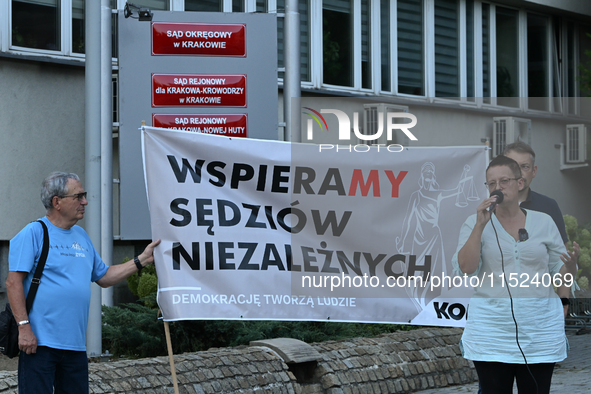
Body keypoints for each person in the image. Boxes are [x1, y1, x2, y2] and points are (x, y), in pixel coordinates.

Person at [5, 172, 161, 393]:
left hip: (75, 346)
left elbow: (104, 277)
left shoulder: (81, 236)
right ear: (56, 202)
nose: (85, 202)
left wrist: (142, 260)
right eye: (79, 196)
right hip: (39, 344)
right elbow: (13, 283)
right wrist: (24, 329)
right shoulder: (33, 233)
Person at [452, 155, 577, 394]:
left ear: (520, 183)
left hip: (539, 330)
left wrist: (569, 270)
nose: (497, 187)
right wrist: (480, 225)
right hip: (491, 331)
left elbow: (560, 275)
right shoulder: (473, 223)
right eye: (491, 183)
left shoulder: (544, 222)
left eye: (504, 181)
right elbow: (467, 268)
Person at [502, 141, 579, 317]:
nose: (519, 172)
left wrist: (564, 300)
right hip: (496, 311)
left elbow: (561, 262)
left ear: (534, 171)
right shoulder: (487, 207)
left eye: (525, 166)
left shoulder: (548, 207)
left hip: (537, 311)